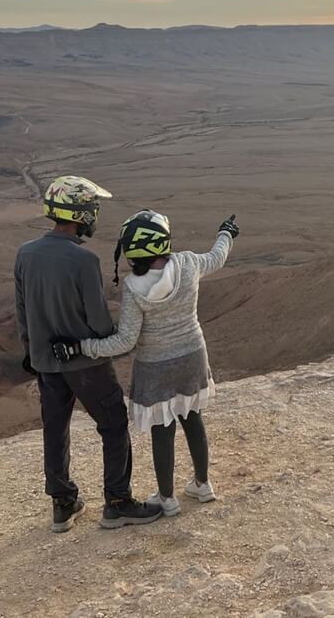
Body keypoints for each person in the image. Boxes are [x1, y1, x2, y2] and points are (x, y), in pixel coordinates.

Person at [53, 209, 239, 517]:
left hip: (156, 368)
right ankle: (202, 485)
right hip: (193, 356)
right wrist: (226, 233)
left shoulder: (133, 288)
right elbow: (217, 257)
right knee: (193, 418)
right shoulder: (189, 263)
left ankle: (167, 498)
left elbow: (125, 341)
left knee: (162, 429)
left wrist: (80, 347)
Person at [14, 175, 162, 532]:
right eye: (92, 207)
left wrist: (31, 353)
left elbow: (22, 310)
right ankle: (117, 502)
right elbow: (97, 321)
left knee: (55, 428)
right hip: (87, 364)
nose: (94, 213)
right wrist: (114, 339)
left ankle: (63, 503)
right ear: (79, 211)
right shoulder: (83, 260)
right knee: (112, 425)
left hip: (46, 361)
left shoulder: (25, 254)